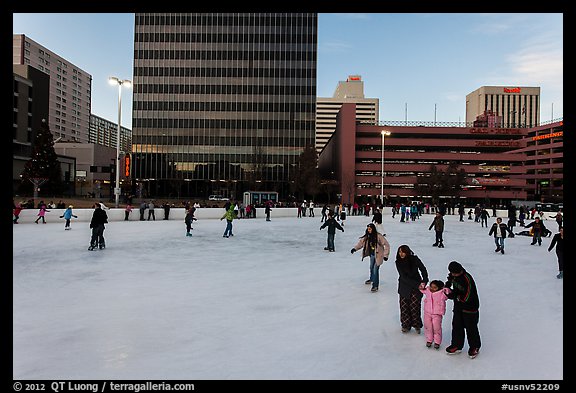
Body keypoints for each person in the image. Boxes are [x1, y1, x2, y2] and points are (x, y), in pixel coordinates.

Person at [444, 261, 481, 359]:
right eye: (452, 273)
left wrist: (455, 296)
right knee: (456, 325)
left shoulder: (467, 279)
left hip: (470, 307)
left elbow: (467, 296)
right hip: (458, 307)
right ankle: (457, 345)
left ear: (460, 270)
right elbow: (450, 279)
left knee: (471, 328)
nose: (454, 275)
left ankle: (475, 346)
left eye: (455, 273)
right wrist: (447, 285)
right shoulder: (453, 275)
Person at [394, 244, 429, 333]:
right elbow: (403, 277)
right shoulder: (398, 262)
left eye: (403, 252)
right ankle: (406, 325)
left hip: (416, 288)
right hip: (405, 286)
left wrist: (424, 280)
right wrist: (417, 284)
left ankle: (417, 325)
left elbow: (423, 269)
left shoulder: (414, 259)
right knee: (404, 307)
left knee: (415, 307)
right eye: (400, 252)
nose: (401, 254)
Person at [351, 223, 391, 292]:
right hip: (372, 255)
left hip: (379, 255)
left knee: (375, 269)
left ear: (373, 229)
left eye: (370, 229)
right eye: (368, 229)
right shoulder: (367, 237)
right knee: (371, 267)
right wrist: (355, 249)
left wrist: (385, 255)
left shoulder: (378, 236)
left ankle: (375, 285)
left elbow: (386, 245)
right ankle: (372, 278)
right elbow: (361, 243)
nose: (368, 230)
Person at [419, 279, 451, 349]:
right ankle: (429, 340)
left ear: (439, 288)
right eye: (431, 287)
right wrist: (422, 285)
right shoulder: (428, 291)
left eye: (435, 287)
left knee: (437, 328)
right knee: (428, 327)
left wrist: (446, 289)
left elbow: (448, 294)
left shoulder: (442, 294)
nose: (432, 289)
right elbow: (421, 289)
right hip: (427, 312)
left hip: (437, 314)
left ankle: (437, 341)